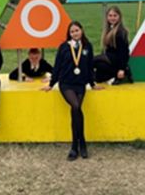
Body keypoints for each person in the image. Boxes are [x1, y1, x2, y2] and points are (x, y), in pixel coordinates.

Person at [42, 21, 103, 161]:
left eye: (77, 30)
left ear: (82, 30)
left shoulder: (87, 47)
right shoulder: (63, 47)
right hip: (66, 84)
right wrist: (51, 84)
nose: (75, 33)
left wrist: (92, 84)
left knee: (76, 111)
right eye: (72, 32)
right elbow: (57, 67)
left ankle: (76, 146)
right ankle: (80, 143)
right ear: (69, 34)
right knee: (75, 106)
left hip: (80, 84)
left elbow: (89, 67)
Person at [93, 5, 133, 85]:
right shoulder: (109, 29)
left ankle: (124, 72)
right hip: (109, 59)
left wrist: (121, 69)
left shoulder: (121, 32)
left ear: (119, 17)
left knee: (91, 60)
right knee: (98, 73)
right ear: (107, 17)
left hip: (115, 60)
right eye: (110, 16)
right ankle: (112, 76)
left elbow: (124, 52)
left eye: (115, 15)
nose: (112, 18)